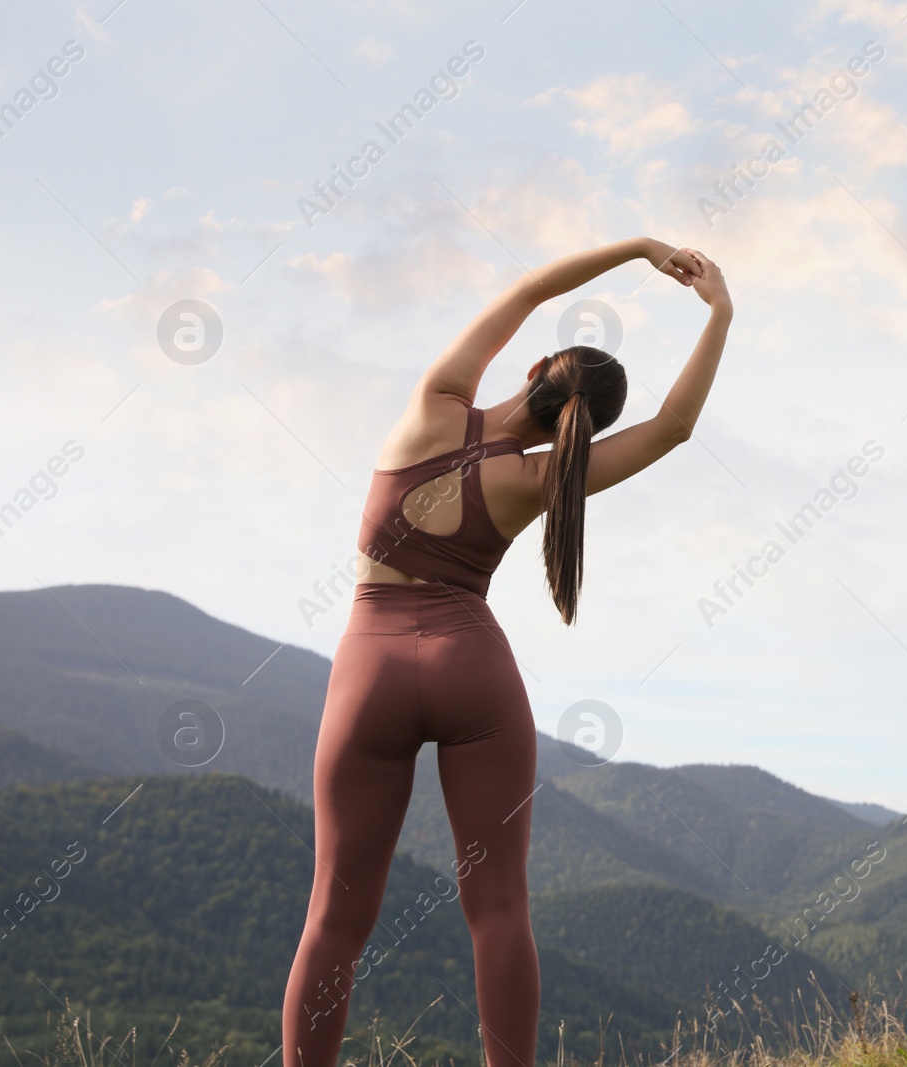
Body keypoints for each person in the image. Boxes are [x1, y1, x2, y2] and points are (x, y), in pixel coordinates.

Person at [281, 237, 732, 1067]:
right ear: (586, 430)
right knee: (497, 907)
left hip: (370, 668)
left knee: (335, 916)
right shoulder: (538, 482)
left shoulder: (436, 402)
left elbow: (528, 288)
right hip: (474, 669)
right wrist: (721, 311)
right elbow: (674, 427)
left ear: (532, 373)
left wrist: (639, 248)